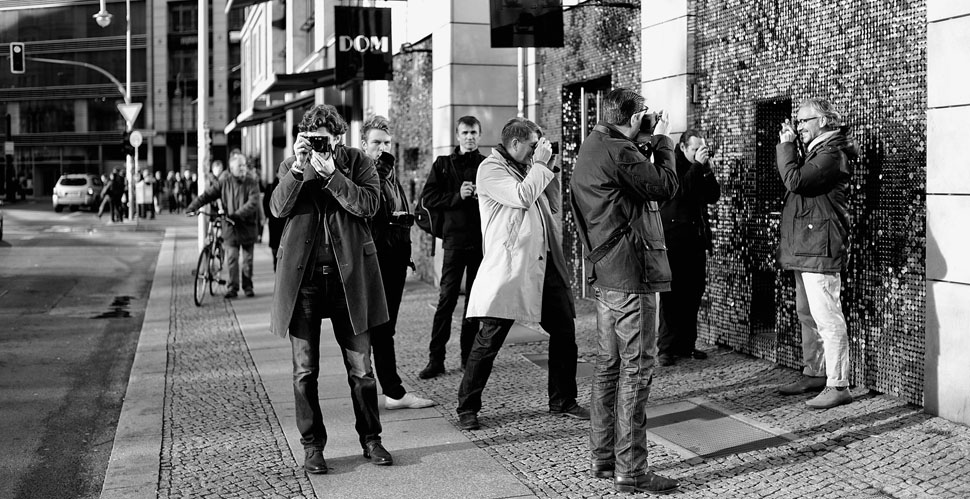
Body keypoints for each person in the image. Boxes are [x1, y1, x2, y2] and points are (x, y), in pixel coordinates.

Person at [269, 104, 393, 474]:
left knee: (362, 370)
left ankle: (371, 440)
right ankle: (312, 446)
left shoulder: (357, 162)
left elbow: (369, 204)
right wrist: (297, 167)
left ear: (338, 136)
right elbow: (278, 208)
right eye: (314, 137)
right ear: (305, 137)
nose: (321, 143)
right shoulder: (294, 162)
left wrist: (333, 175)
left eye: (327, 136)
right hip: (304, 280)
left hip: (348, 278)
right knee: (304, 371)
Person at [569, 88, 680, 494]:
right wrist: (664, 142)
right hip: (633, 274)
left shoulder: (595, 144)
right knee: (637, 369)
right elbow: (664, 185)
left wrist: (642, 138)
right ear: (633, 117)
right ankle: (631, 470)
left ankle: (603, 457)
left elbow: (630, 176)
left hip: (608, 273)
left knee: (609, 366)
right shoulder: (620, 151)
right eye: (643, 115)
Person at [456, 117, 589, 431]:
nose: (535, 151)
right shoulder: (490, 169)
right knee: (489, 340)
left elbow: (553, 203)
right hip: (510, 270)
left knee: (564, 333)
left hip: (544, 267)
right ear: (514, 143)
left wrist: (548, 165)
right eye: (531, 145)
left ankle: (563, 399)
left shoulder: (529, 166)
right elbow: (521, 196)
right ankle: (467, 406)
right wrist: (539, 166)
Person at [774, 98, 856, 410]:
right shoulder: (817, 151)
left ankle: (838, 384)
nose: (798, 126)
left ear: (822, 121)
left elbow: (794, 180)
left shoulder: (832, 153)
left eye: (804, 120)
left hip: (820, 247)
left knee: (827, 317)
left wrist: (786, 147)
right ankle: (815, 372)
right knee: (807, 314)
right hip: (807, 247)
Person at [360, 115, 436, 411]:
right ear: (364, 144)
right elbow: (369, 212)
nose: (382, 148)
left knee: (384, 327)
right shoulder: (365, 173)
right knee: (373, 327)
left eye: (386, 143)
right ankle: (384, 390)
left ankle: (390, 391)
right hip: (374, 260)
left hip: (394, 260)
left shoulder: (391, 176)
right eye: (376, 143)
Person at [418, 116, 487, 379]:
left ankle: (468, 357)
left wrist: (482, 194)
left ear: (480, 136)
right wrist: (458, 195)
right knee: (446, 301)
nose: (469, 137)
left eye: (474, 133)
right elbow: (429, 197)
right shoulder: (443, 164)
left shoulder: (486, 164)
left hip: (480, 243)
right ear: (457, 135)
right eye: (465, 132)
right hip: (454, 242)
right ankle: (436, 359)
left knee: (475, 303)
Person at [657, 129, 721, 366]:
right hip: (673, 240)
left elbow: (713, 195)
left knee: (693, 293)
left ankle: (686, 345)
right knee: (671, 296)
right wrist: (697, 167)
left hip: (695, 239)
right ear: (683, 147)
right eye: (694, 149)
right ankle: (666, 348)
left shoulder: (699, 166)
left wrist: (707, 170)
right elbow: (678, 192)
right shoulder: (671, 164)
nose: (698, 153)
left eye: (701, 148)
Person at [186, 153, 260, 298]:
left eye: (244, 165)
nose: (243, 168)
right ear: (231, 168)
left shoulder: (252, 182)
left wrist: (237, 214)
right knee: (232, 259)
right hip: (230, 227)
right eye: (240, 166)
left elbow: (253, 203)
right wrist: (193, 207)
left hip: (247, 226)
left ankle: (248, 286)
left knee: (247, 260)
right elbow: (207, 195)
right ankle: (232, 288)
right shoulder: (224, 182)